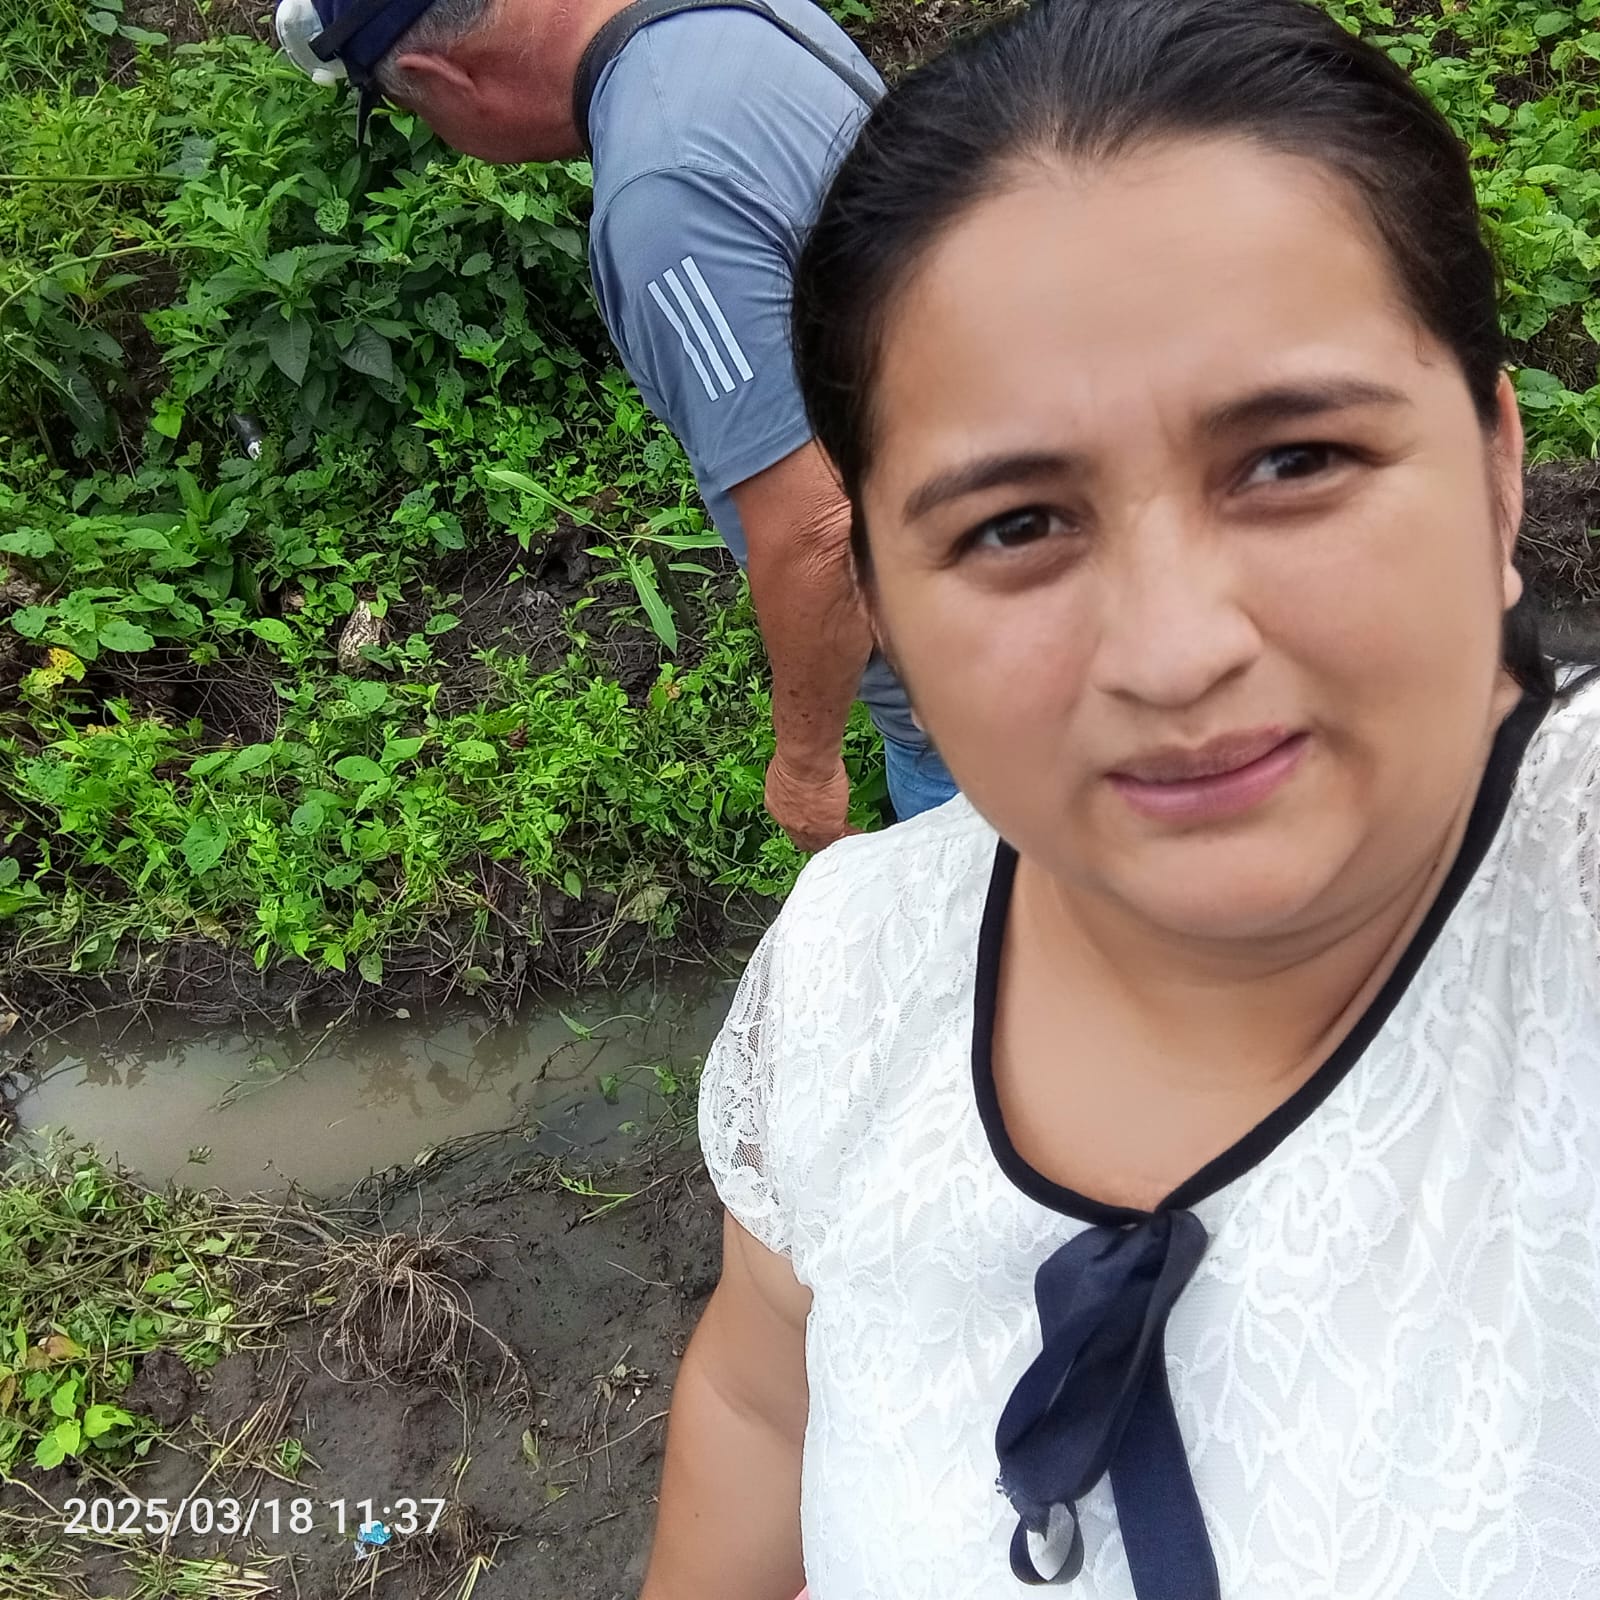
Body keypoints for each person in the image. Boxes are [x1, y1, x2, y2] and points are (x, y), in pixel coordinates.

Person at [642, 0, 1600, 1594]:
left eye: (1293, 461)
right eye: (1016, 526)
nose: (1172, 651)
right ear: (878, 595)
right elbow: (758, 1402)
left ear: (1499, 469)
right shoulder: (853, 965)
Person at [271, 0, 958, 844]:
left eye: (416, 112)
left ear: (435, 76)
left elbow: (818, 533)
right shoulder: (737, 15)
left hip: (980, 723)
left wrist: (806, 765)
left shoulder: (664, 199)